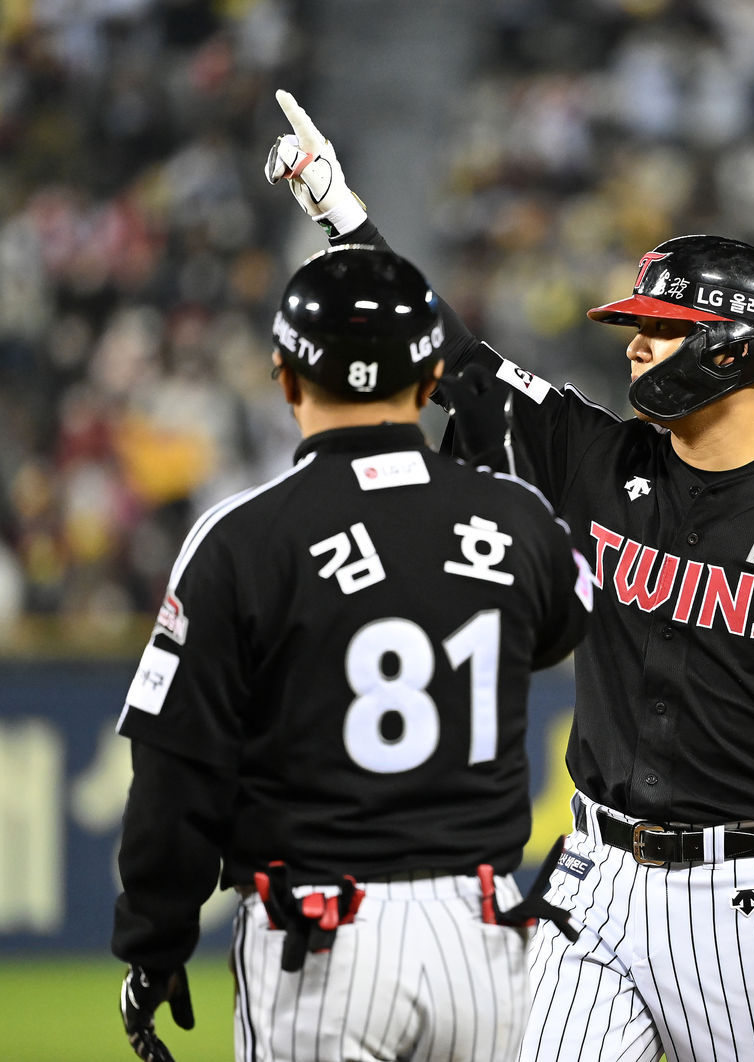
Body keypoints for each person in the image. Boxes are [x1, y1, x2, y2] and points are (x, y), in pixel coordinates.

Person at [265, 92, 754, 1062]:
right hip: (592, 879)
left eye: (661, 326)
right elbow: (459, 366)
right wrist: (342, 216)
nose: (634, 342)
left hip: (745, 906)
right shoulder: (594, 457)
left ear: (732, 345)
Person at [111, 244, 594, 1062]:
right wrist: (491, 474)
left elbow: (177, 769)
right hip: (481, 939)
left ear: (286, 377)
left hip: (321, 941)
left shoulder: (242, 539)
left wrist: (153, 944)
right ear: (432, 379)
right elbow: (563, 619)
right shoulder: (511, 518)